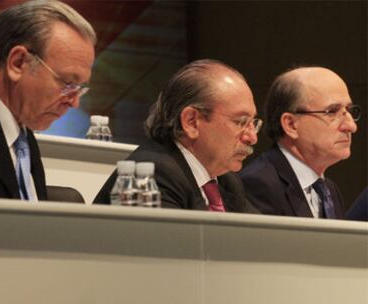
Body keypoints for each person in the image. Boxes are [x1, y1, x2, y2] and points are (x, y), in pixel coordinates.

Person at [0, 0, 96, 201]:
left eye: (79, 89)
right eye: (67, 83)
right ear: (18, 63)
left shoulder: (21, 129)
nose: (74, 103)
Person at [94, 59, 260, 213]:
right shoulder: (152, 175)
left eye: (254, 124)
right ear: (191, 122)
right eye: (240, 122)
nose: (252, 138)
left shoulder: (227, 183)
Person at [239, 66, 360, 219]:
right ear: (291, 125)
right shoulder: (259, 185)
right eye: (332, 112)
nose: (351, 126)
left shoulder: (329, 189)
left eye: (349, 110)